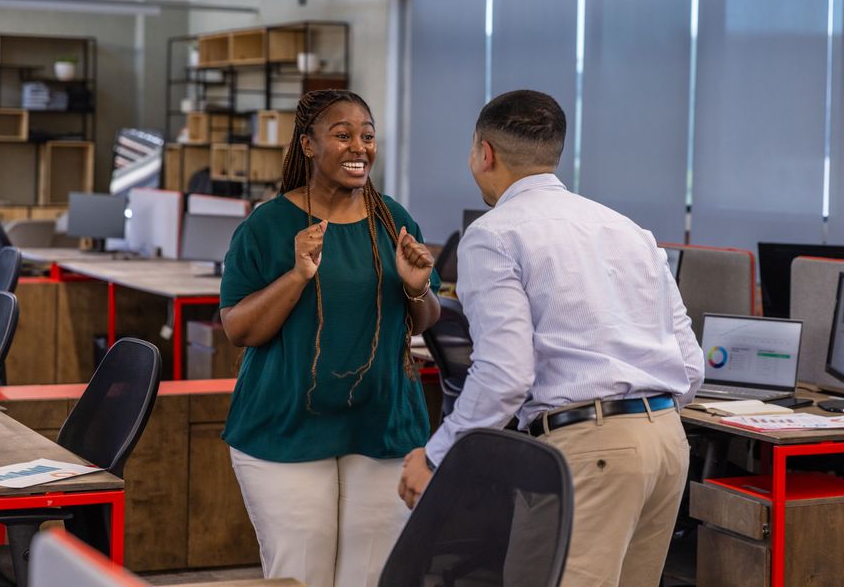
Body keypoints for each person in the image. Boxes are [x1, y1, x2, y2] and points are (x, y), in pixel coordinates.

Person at [398, 89, 705, 587]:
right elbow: (690, 368)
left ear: (485, 153)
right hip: (668, 445)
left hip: (590, 449)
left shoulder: (494, 235)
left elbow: (506, 373)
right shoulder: (629, 230)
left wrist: (436, 456)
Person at [221, 89, 440, 587]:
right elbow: (238, 329)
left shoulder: (394, 219)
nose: (358, 146)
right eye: (342, 135)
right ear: (308, 145)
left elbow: (424, 318)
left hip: (382, 425)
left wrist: (416, 285)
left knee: (372, 578)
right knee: (302, 576)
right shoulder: (268, 225)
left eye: (367, 135)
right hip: (286, 426)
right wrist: (297, 274)